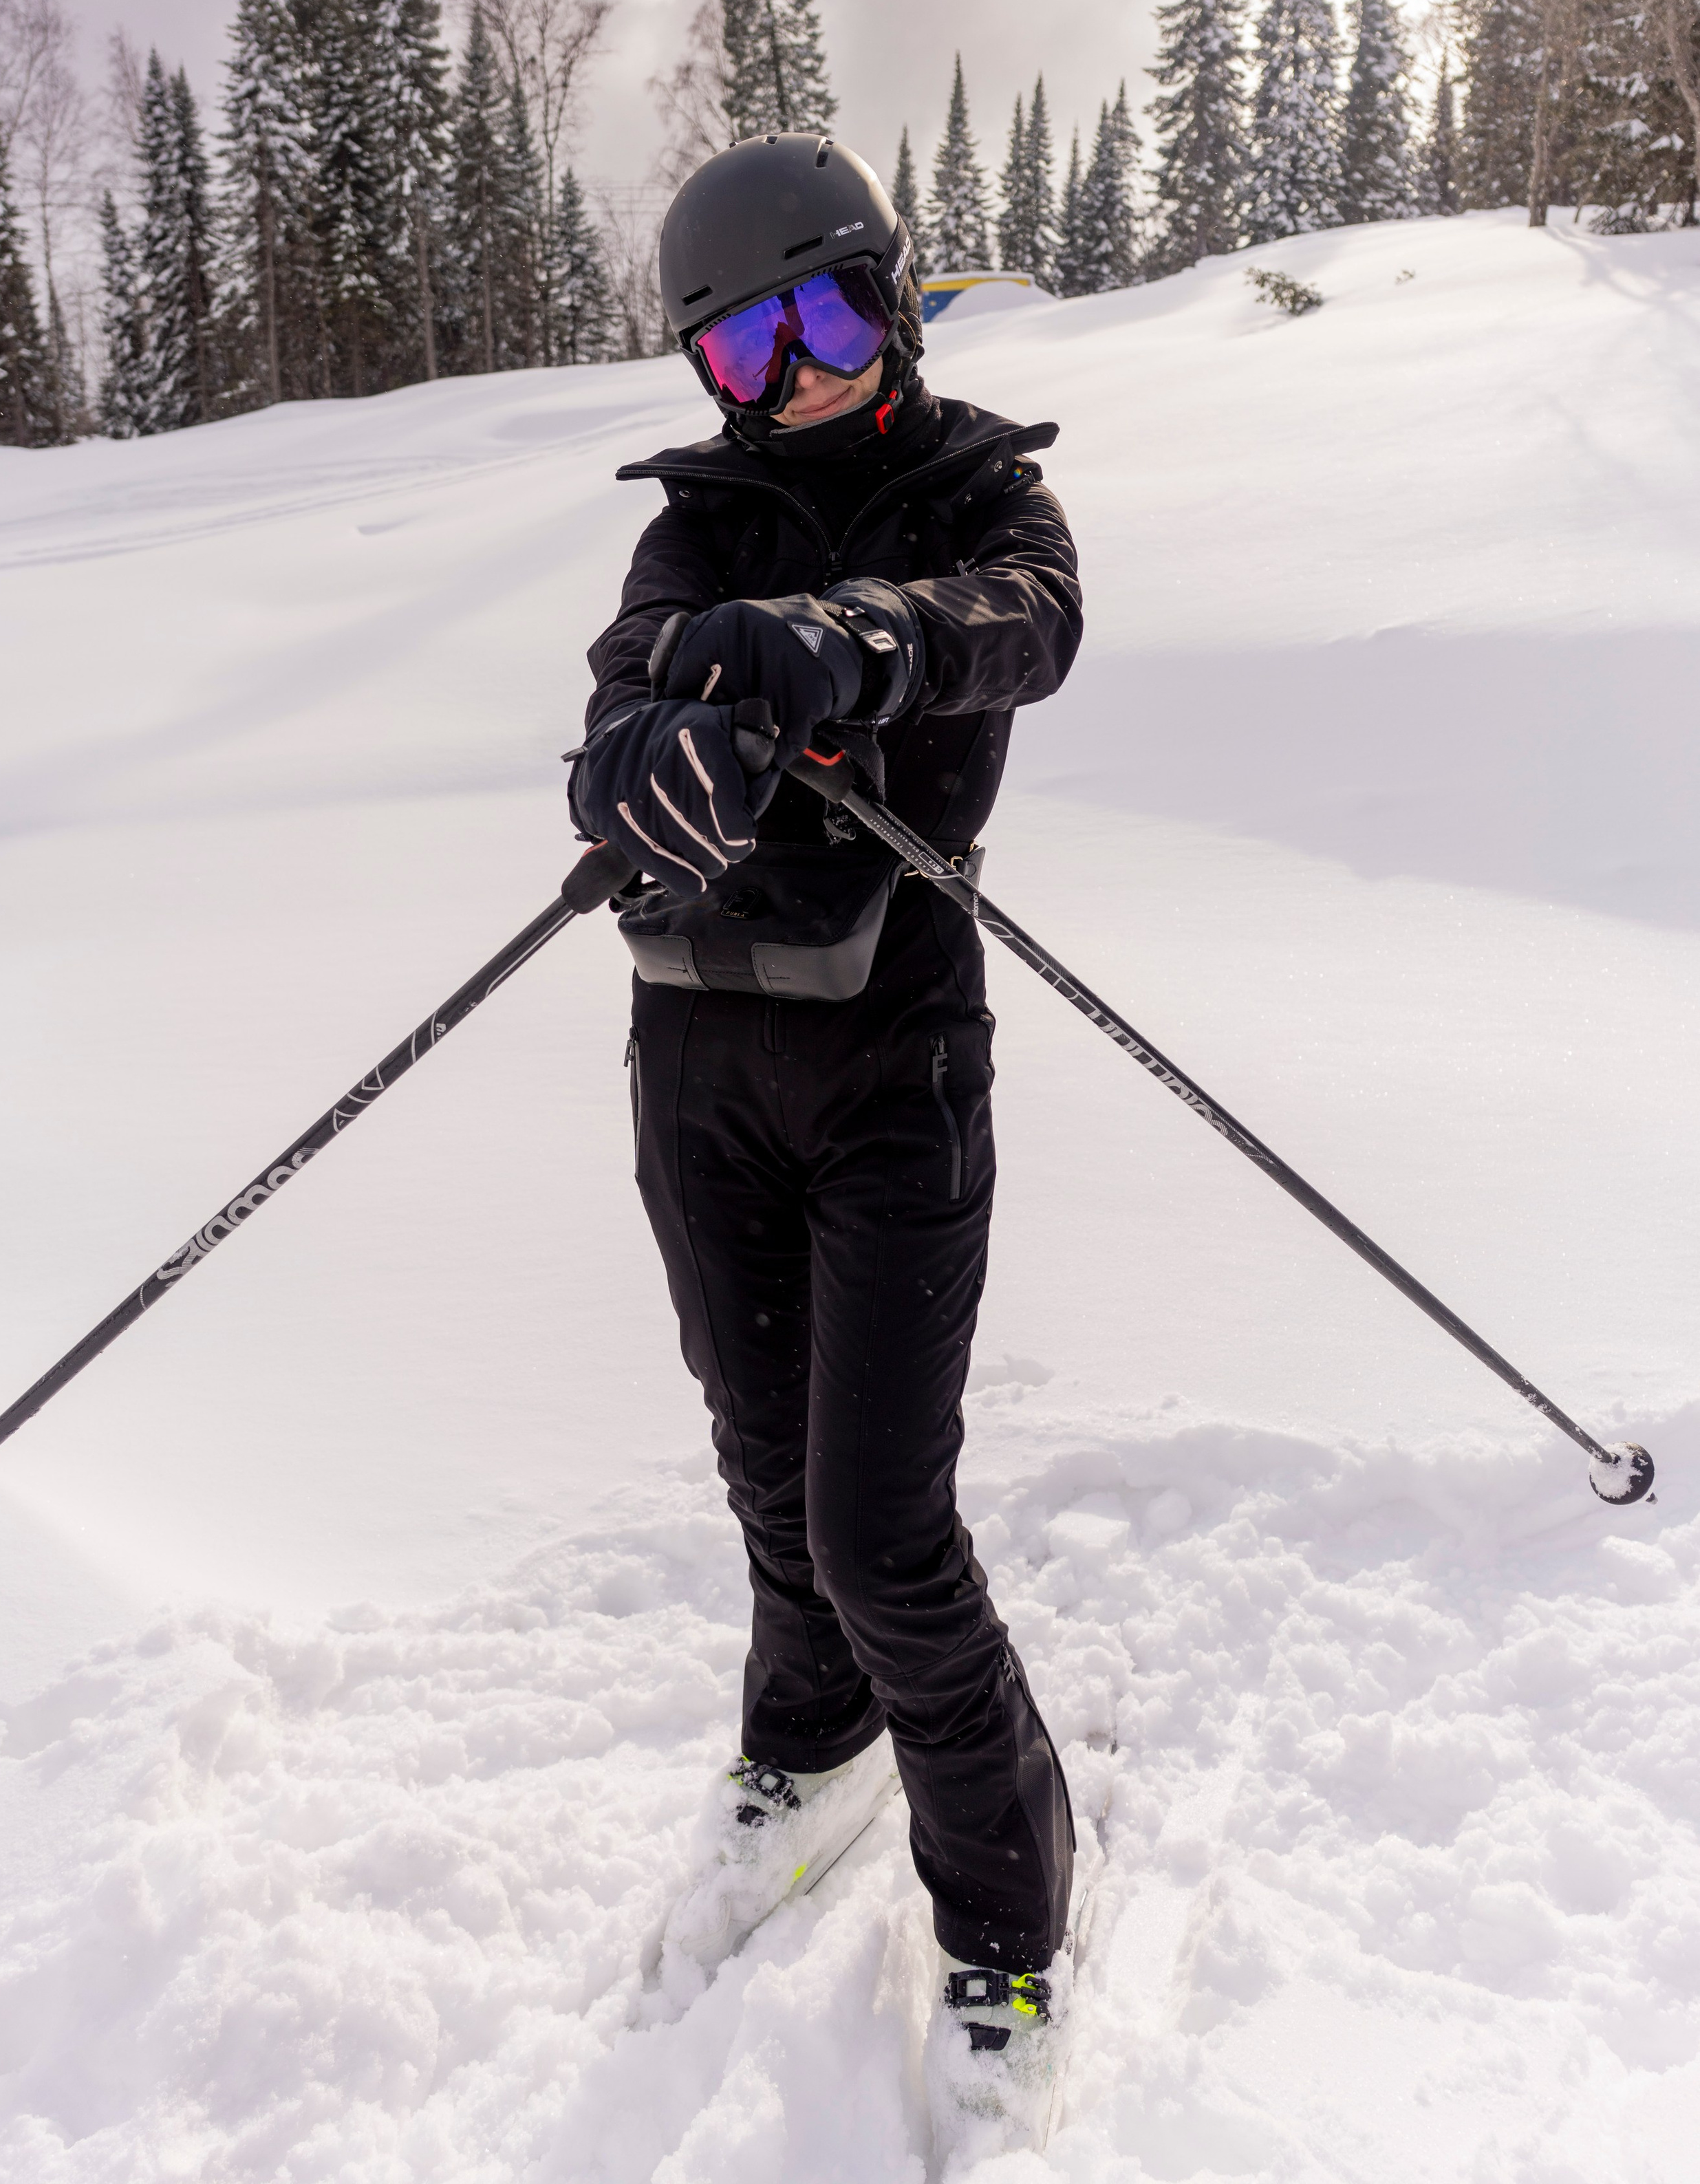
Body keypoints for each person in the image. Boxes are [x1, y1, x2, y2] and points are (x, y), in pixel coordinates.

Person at [567, 132, 1084, 2143]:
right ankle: (811, 1731)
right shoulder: (694, 527)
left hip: (891, 1072)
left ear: (891, 294)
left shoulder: (983, 491)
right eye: (738, 348)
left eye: (819, 317)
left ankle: (1012, 1912)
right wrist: (644, 764)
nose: (787, 378)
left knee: (886, 1526)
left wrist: (848, 642)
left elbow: (1018, 623)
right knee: (764, 1480)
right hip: (695, 1064)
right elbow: (618, 707)